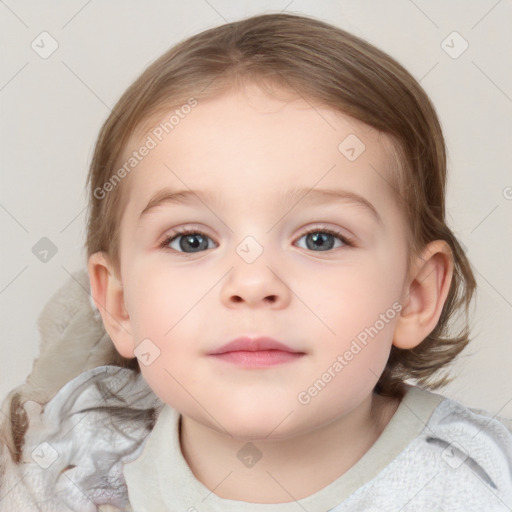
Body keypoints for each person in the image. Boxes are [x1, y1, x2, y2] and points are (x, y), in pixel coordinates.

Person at [1, 12, 511, 512]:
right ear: (119, 305)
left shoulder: (477, 485)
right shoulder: (71, 470)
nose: (252, 283)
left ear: (414, 295)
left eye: (319, 240)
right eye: (192, 242)